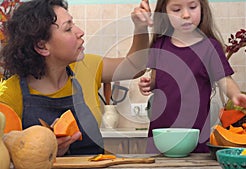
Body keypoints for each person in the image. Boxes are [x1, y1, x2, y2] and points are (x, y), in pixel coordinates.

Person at [0, 0, 151, 156]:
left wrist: (140, 28)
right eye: (68, 28)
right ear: (42, 46)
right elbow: (6, 157)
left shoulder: (86, 67)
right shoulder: (9, 94)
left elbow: (135, 67)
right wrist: (45, 153)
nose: (80, 32)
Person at [137, 0, 246, 153]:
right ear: (165, 13)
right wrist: (149, 84)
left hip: (195, 141)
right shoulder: (159, 44)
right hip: (160, 140)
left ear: (202, 8)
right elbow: (156, 78)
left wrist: (236, 94)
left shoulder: (210, 47)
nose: (186, 15)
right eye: (177, 9)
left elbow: (224, 79)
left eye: (192, 7)